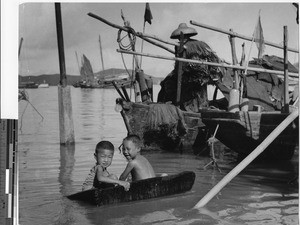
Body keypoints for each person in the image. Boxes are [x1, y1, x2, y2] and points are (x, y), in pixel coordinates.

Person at [157, 23, 223, 113]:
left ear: (187, 35)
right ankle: (171, 104)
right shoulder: (181, 46)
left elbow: (200, 64)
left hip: (194, 73)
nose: (180, 39)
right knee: (167, 82)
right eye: (179, 38)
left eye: (181, 37)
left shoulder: (196, 45)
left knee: (175, 85)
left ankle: (185, 108)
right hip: (189, 73)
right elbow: (179, 63)